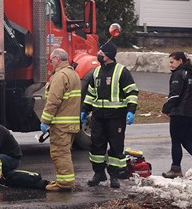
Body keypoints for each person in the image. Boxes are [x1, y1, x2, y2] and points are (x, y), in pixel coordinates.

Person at [81, 42, 138, 189]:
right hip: (98, 117)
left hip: (116, 117)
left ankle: (114, 176)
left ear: (108, 55)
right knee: (96, 146)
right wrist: (85, 110)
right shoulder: (96, 72)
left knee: (116, 147)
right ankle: (98, 174)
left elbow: (131, 92)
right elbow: (91, 93)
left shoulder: (122, 72)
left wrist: (131, 110)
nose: (99, 54)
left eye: (101, 52)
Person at [40, 48, 81, 191]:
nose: (51, 64)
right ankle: (63, 180)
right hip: (71, 123)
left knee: (59, 153)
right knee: (65, 152)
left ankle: (65, 183)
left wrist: (45, 121)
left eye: (51, 60)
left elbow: (53, 101)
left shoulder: (59, 76)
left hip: (61, 124)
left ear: (57, 59)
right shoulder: (73, 74)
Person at [161, 52, 192, 178]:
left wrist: (166, 108)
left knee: (176, 140)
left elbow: (175, 95)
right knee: (187, 141)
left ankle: (175, 169)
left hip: (180, 113)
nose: (170, 65)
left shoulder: (178, 74)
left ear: (180, 61)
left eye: (172, 62)